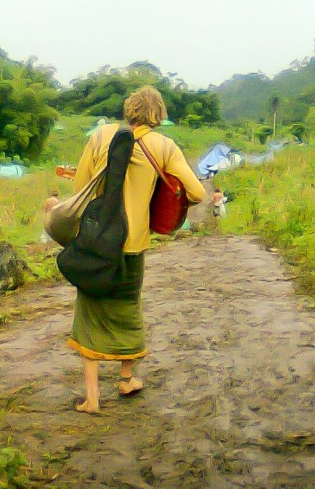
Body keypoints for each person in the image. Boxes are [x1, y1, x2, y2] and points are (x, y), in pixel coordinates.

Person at [67, 86, 205, 413]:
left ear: (129, 109)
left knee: (90, 312)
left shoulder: (101, 135)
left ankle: (92, 398)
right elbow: (197, 193)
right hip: (133, 242)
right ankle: (127, 379)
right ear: (159, 114)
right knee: (128, 308)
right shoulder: (164, 145)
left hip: (97, 240)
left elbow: (79, 188)